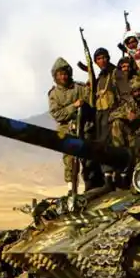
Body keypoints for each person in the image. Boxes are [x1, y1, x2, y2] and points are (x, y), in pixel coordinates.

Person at [47, 57, 100, 190]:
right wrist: (74, 106)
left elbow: (92, 100)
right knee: (69, 159)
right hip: (66, 128)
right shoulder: (54, 94)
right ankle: (71, 189)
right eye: (60, 74)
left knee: (88, 158)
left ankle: (91, 187)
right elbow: (57, 114)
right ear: (55, 76)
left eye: (65, 73)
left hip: (84, 126)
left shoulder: (79, 88)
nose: (63, 77)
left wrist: (91, 84)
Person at [93, 48, 119, 182]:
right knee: (101, 143)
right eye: (98, 59)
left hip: (112, 113)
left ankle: (116, 175)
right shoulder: (99, 78)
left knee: (113, 143)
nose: (102, 61)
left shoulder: (115, 73)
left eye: (104, 57)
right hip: (100, 115)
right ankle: (107, 175)